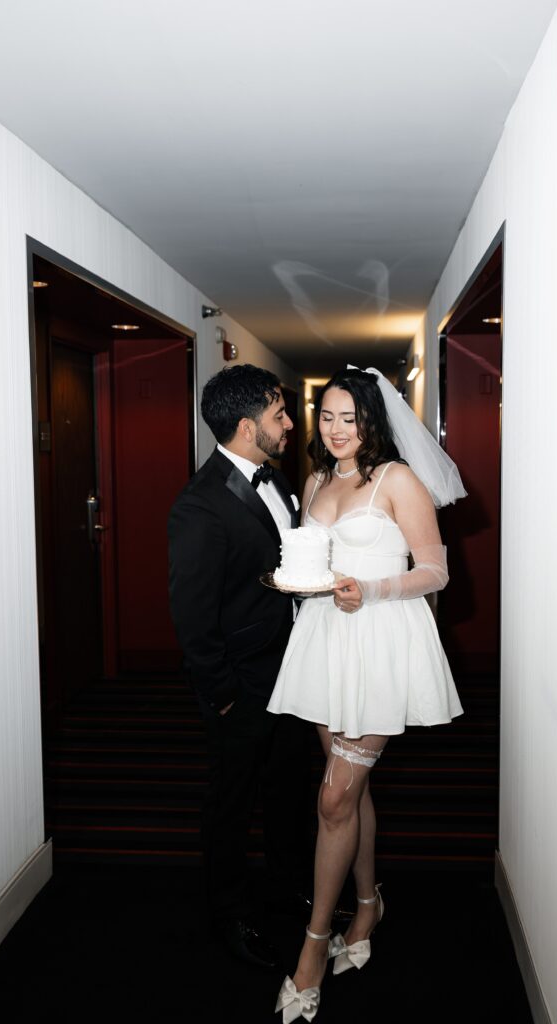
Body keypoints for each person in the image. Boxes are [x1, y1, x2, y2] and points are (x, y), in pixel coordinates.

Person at [267, 366, 466, 1022]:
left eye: (349, 417)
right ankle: (368, 899)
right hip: (326, 640)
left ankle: (313, 945)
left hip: (380, 641)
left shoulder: (396, 479)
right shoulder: (318, 478)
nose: (335, 428)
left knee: (332, 798)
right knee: (348, 790)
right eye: (326, 415)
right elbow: (312, 558)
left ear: (372, 421)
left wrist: (371, 589)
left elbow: (434, 570)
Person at [168, 363, 311, 970]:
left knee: (287, 791)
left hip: (293, 670)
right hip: (241, 685)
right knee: (231, 803)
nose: (290, 423)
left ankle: (287, 889)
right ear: (250, 426)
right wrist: (222, 693)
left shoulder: (275, 480)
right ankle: (226, 913)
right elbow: (192, 614)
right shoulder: (199, 506)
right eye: (280, 414)